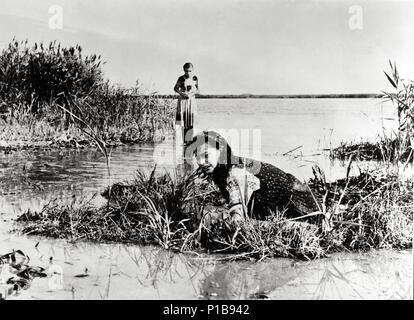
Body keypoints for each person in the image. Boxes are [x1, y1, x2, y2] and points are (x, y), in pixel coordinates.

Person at [188, 131, 321, 224]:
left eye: (205, 155)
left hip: (306, 212)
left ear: (221, 150)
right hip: (303, 203)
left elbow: (238, 219)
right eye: (197, 156)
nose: (200, 162)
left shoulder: (235, 172)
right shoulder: (229, 164)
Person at [174, 62, 199, 145]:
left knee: (191, 121)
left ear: (192, 70)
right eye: (186, 71)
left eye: (190, 71)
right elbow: (176, 88)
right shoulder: (181, 78)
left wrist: (191, 94)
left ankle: (190, 140)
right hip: (183, 101)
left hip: (191, 101)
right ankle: (185, 141)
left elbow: (198, 90)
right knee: (184, 121)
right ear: (184, 70)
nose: (188, 73)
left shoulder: (195, 78)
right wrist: (182, 93)